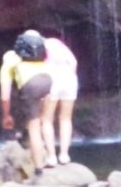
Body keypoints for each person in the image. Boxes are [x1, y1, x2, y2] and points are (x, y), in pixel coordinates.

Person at [0, 30, 56, 173]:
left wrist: (6, 116)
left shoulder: (9, 62)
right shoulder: (40, 59)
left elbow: (5, 95)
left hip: (31, 86)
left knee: (34, 128)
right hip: (48, 81)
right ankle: (50, 155)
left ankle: (38, 169)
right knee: (44, 121)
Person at [42, 30, 79, 165]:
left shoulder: (43, 45)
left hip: (51, 81)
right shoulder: (60, 45)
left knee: (46, 119)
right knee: (66, 118)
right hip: (69, 80)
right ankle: (64, 155)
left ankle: (51, 157)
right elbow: (74, 62)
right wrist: (69, 77)